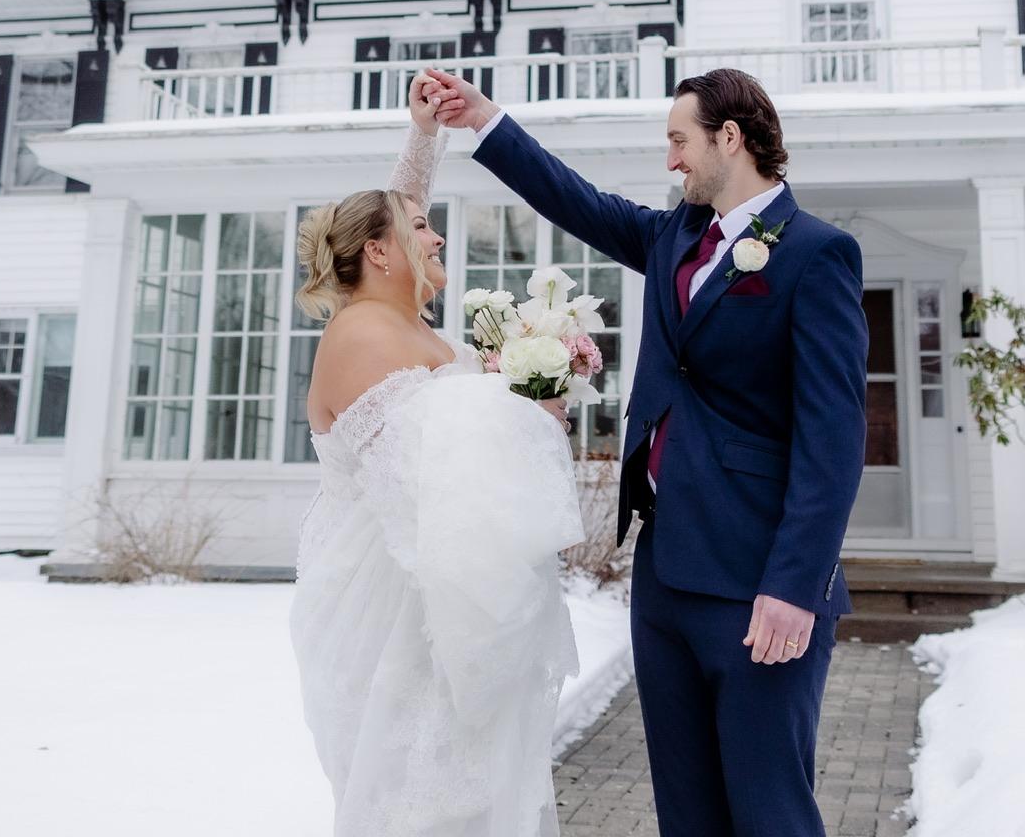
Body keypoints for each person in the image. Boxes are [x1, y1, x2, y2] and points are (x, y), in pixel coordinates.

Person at [419, 65, 869, 837]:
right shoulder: (673, 239)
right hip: (663, 568)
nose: (670, 160)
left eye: (679, 141)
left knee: (768, 810)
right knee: (686, 812)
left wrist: (795, 585)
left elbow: (834, 437)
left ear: (731, 138)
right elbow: (574, 199)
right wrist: (484, 119)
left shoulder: (817, 253)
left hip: (757, 576)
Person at [290, 91, 582, 837]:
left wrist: (423, 136)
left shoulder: (400, 318)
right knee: (427, 803)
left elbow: (396, 210)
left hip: (443, 588)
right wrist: (532, 415)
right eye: (422, 228)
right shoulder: (365, 333)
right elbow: (427, 474)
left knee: (476, 795)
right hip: (400, 610)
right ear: (377, 253)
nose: (438, 235)